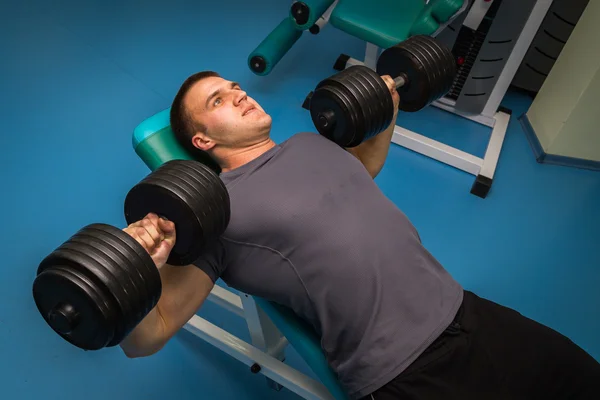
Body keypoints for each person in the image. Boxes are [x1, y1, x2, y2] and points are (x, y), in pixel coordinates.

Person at [119, 71, 600, 399]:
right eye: (218, 101)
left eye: (235, 86)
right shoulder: (212, 213)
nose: (240, 95)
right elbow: (149, 335)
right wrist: (140, 267)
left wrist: (386, 115)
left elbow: (359, 171)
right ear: (203, 141)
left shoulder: (308, 143)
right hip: (407, 371)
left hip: (466, 312)